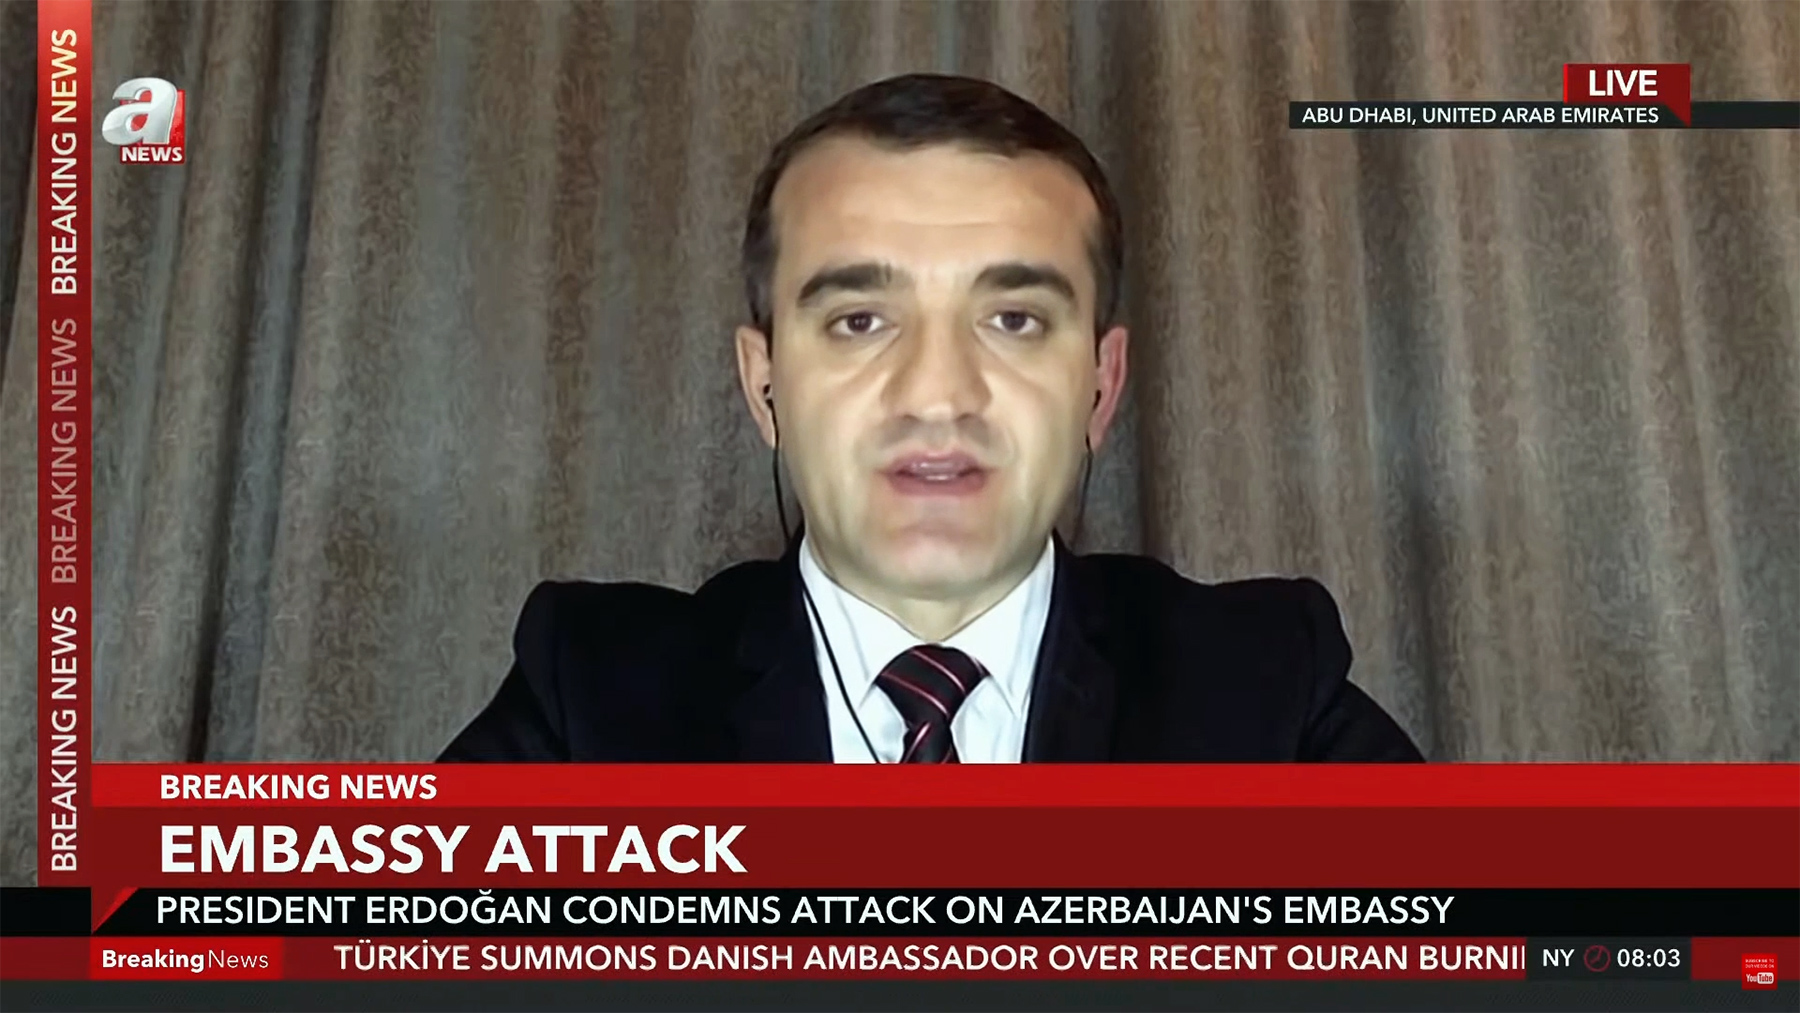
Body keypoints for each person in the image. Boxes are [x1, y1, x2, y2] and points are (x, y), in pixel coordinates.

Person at [441, 74, 1422, 763]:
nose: (938, 393)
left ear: (1100, 384)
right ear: (764, 383)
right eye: (860, 321)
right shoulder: (591, 692)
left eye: (1013, 319)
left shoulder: (1264, 682)